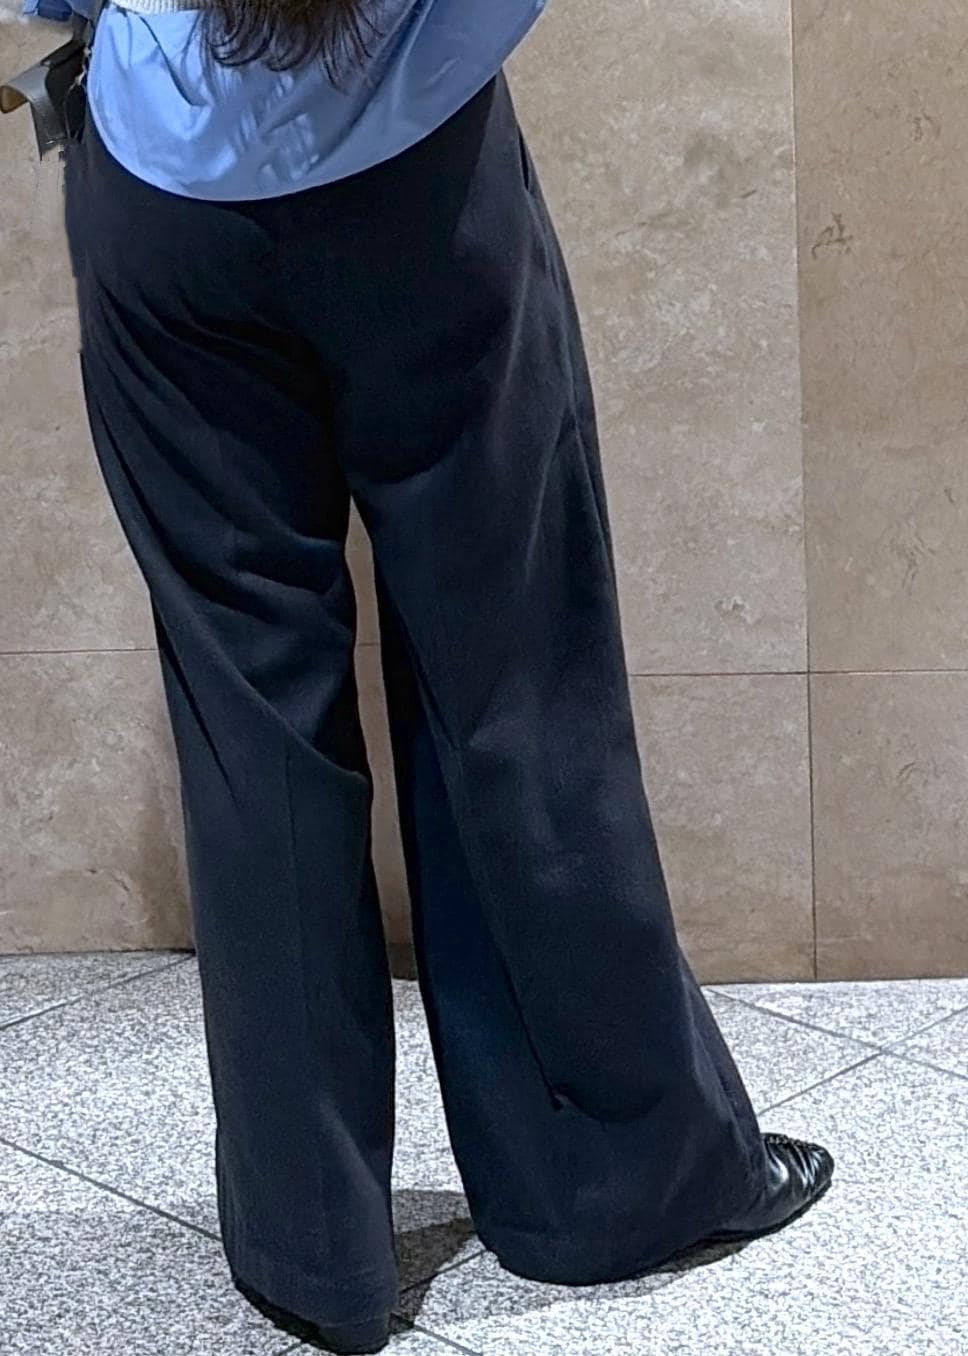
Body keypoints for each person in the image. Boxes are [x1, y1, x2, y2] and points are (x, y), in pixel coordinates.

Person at [10, 2, 834, 1352]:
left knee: (250, 724)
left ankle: (310, 1252)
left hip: (164, 212)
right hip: (421, 197)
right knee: (513, 682)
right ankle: (609, 1189)